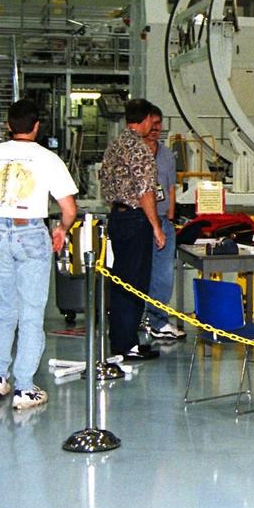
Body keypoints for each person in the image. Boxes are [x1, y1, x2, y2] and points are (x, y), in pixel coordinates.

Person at [0, 99, 78, 410]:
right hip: (30, 233)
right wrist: (62, 229)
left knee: (4, 310)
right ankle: (24, 388)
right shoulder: (48, 158)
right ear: (36, 127)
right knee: (31, 313)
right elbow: (68, 209)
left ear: (8, 125)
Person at [98, 98, 166, 361]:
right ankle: (127, 345)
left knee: (120, 282)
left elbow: (104, 181)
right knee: (135, 283)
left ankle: (122, 340)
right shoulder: (139, 149)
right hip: (136, 220)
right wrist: (155, 226)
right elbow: (145, 191)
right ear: (147, 119)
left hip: (118, 216)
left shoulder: (115, 146)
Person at [143, 106, 184, 340]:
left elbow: (170, 188)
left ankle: (158, 322)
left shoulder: (167, 154)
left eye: (159, 123)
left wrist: (170, 217)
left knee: (163, 275)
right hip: (141, 222)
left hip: (163, 222)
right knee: (139, 274)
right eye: (152, 123)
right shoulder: (136, 153)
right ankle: (138, 318)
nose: (155, 128)